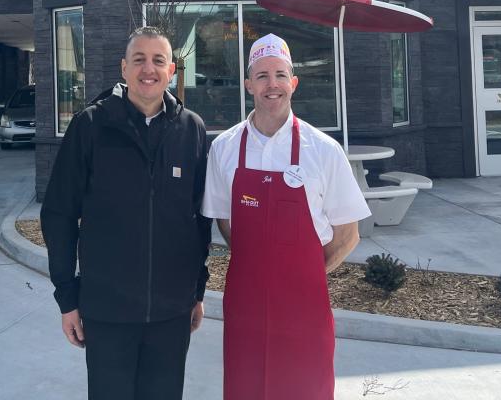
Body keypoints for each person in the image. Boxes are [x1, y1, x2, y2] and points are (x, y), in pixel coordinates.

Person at [41, 26, 212, 400]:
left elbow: (200, 218)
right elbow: (59, 214)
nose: (148, 69)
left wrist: (196, 290)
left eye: (158, 60)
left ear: (171, 71)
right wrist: (67, 298)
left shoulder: (192, 129)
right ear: (123, 68)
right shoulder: (90, 126)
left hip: (171, 313)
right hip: (107, 312)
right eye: (139, 60)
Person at [202, 34, 371, 400]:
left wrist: (301, 273)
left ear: (293, 83)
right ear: (248, 84)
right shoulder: (224, 148)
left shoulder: (324, 151)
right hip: (245, 305)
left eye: (280, 74)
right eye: (261, 76)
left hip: (304, 306)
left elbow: (348, 233)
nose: (271, 84)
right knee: (246, 387)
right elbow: (225, 221)